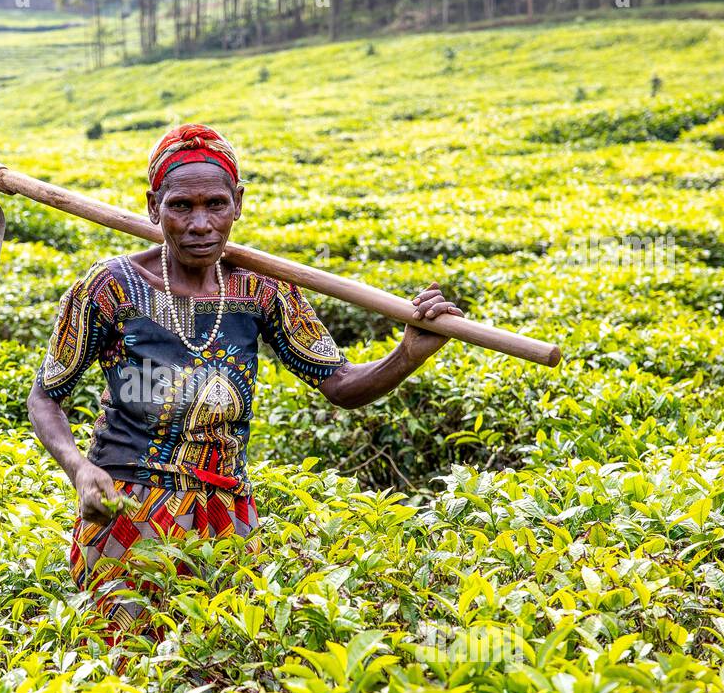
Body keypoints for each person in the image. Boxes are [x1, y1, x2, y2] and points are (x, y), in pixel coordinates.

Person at [26, 123, 461, 655]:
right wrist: (79, 468)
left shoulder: (262, 289)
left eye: (216, 204)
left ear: (239, 204)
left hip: (226, 512)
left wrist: (406, 354)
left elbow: (341, 384)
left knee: (225, 669)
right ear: (152, 207)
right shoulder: (112, 287)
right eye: (180, 207)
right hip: (126, 508)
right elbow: (46, 394)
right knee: (131, 672)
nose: (200, 224)